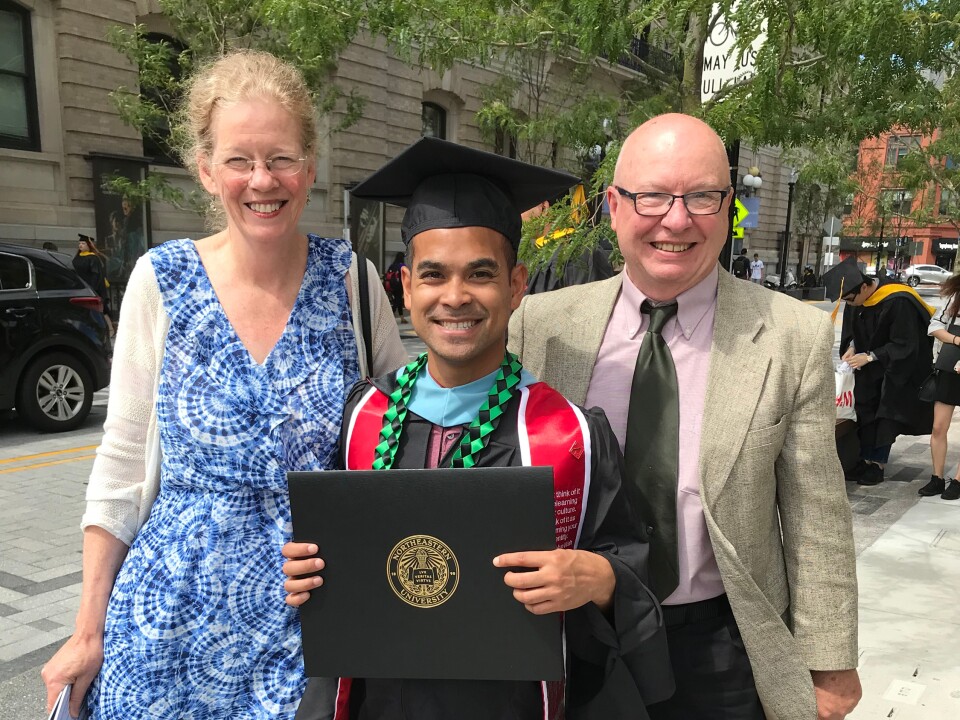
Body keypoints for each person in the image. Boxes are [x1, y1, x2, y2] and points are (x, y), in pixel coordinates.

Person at [41, 50, 406, 720]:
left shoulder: (354, 282)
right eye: (239, 159)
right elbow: (121, 466)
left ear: (311, 166)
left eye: (281, 158)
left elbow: (398, 447)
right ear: (206, 170)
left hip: (312, 614)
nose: (262, 179)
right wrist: (86, 630)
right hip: (168, 619)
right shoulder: (162, 280)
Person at [282, 137, 670, 720]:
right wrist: (311, 571)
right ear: (407, 288)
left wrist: (597, 577)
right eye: (434, 275)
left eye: (480, 275)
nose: (455, 297)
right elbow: (345, 557)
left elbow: (627, 570)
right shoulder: (366, 415)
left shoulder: (569, 435)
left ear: (515, 287)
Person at [508, 114, 861, 720]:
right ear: (614, 206)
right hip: (575, 635)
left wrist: (830, 662)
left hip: (721, 647)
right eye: (652, 196)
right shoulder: (539, 326)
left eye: (701, 196)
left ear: (728, 208)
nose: (677, 219)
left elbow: (815, 514)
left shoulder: (789, 334)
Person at [826, 256, 935, 486]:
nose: (851, 304)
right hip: (866, 370)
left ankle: (877, 464)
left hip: (894, 371)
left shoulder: (898, 300)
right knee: (864, 412)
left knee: (885, 415)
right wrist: (852, 347)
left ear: (865, 287)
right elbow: (854, 330)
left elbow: (906, 343)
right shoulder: (859, 300)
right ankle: (862, 461)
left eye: (851, 299)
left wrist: (872, 356)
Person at [921, 273, 960, 500]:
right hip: (948, 368)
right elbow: (934, 326)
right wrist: (956, 340)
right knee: (938, 427)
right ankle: (937, 478)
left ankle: (957, 481)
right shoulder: (954, 294)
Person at [73, 234, 115, 337]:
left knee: (101, 309)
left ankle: (110, 329)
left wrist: (92, 288)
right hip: (80, 287)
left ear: (89, 245)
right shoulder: (77, 258)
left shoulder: (93, 258)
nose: (80, 245)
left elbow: (96, 274)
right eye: (79, 243)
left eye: (83, 243)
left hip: (92, 287)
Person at [383, 251, 406, 320]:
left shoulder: (392, 265)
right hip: (399, 285)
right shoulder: (402, 266)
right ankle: (390, 315)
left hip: (391, 285)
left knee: (398, 300)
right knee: (398, 300)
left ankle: (402, 317)